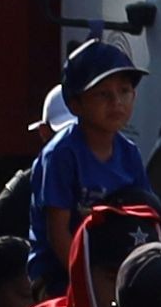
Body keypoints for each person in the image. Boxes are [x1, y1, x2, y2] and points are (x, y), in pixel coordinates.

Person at [17, 40, 145, 258]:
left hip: (111, 264)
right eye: (103, 94)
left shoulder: (129, 152)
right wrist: (86, 283)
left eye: (124, 91)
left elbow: (146, 214)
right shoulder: (60, 155)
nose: (116, 102)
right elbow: (58, 235)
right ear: (75, 105)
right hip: (60, 271)